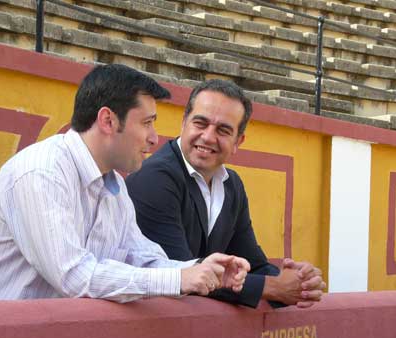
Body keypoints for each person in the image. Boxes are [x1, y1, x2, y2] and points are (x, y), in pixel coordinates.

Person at [0, 65, 250, 302]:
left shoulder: (115, 186)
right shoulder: (41, 172)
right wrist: (178, 279)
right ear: (108, 121)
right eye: (146, 123)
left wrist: (199, 270)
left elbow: (142, 258)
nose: (154, 138)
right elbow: (74, 276)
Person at [126, 79, 326, 308]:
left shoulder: (232, 186)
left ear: (238, 141)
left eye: (223, 130)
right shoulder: (154, 178)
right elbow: (182, 272)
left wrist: (298, 282)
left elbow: (253, 263)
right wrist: (275, 288)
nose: (208, 137)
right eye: (200, 123)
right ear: (183, 123)